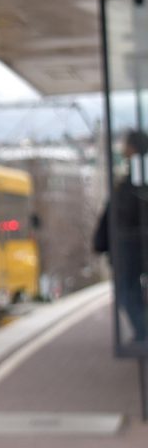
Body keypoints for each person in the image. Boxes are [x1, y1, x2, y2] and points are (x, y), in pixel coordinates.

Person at [94, 129, 148, 343]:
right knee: (129, 291)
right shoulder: (135, 177)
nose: (123, 150)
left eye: (126, 145)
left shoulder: (134, 180)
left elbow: (123, 213)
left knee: (127, 291)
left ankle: (143, 335)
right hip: (132, 244)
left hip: (131, 246)